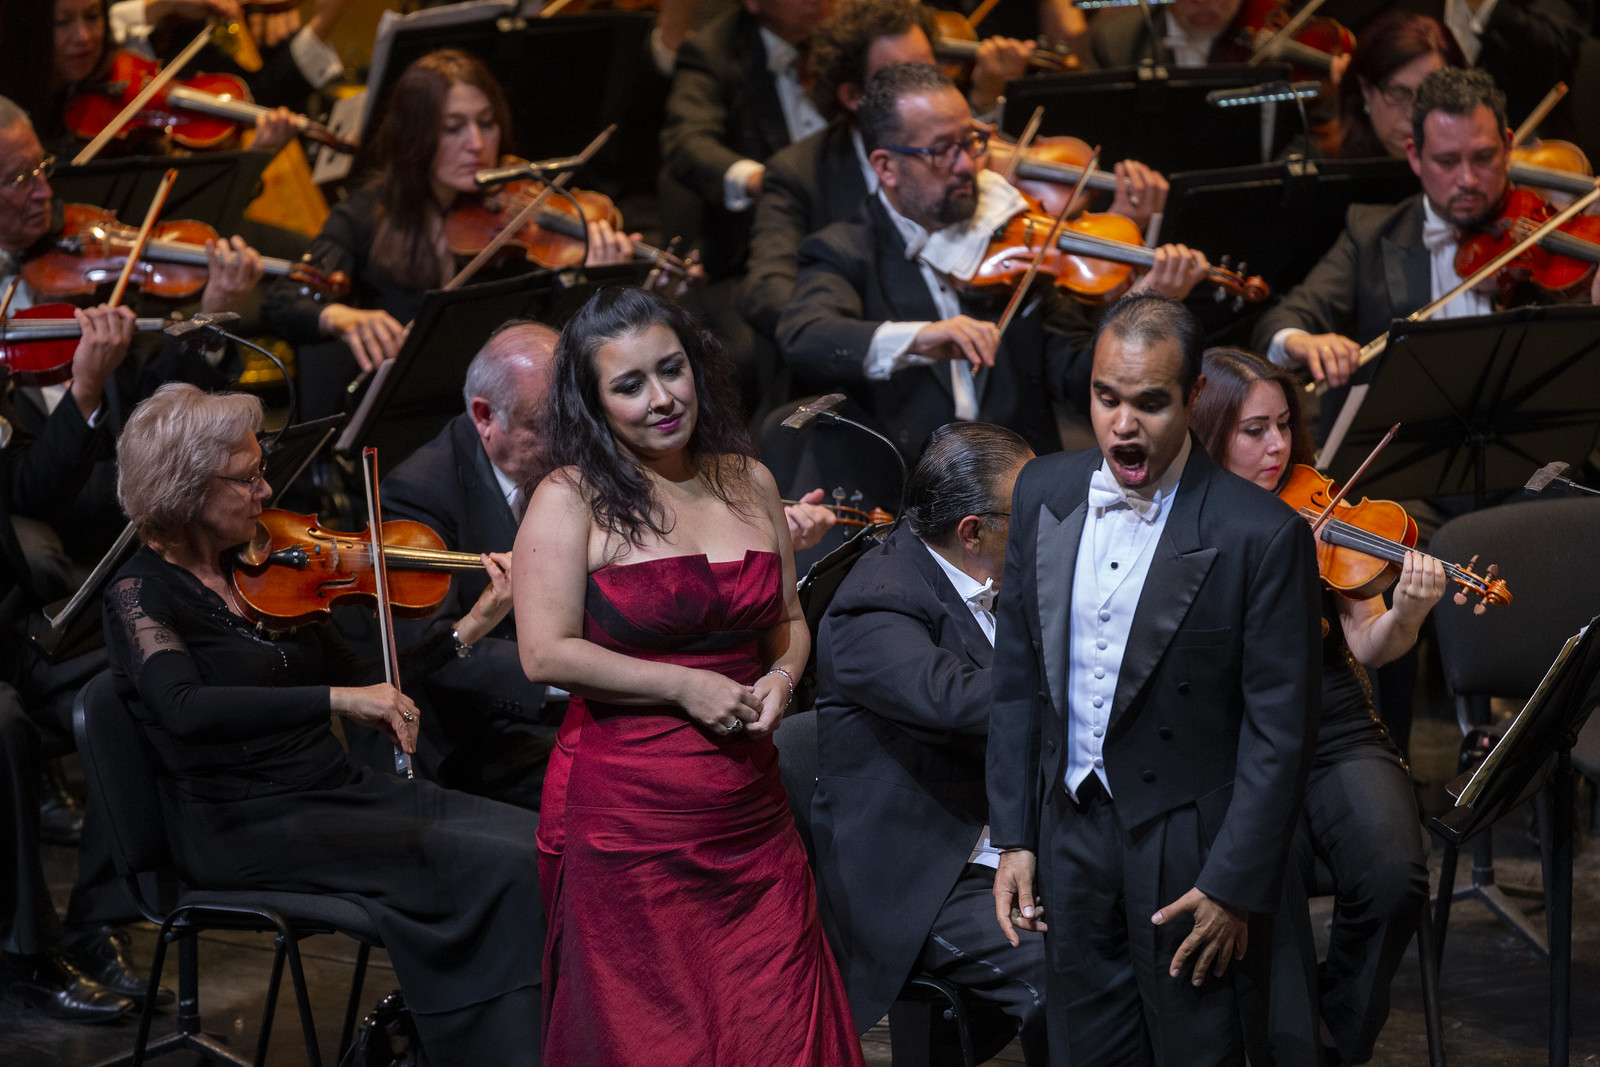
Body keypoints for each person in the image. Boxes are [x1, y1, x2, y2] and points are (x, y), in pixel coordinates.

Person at [103, 382, 545, 1066]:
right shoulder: (139, 592)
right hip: (242, 822)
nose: (265, 487)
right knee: (505, 865)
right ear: (185, 488)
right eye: (247, 477)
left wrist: (472, 623)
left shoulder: (269, 567)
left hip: (332, 789)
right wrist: (334, 700)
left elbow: (374, 674)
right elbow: (183, 708)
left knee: (534, 841)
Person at [514, 286, 863, 1066]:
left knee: (780, 1028)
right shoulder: (568, 499)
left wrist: (781, 675)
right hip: (631, 821)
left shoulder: (749, 479)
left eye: (671, 370)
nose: (662, 397)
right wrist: (681, 683)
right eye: (630, 384)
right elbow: (545, 653)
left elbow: (789, 622)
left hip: (749, 810)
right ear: (595, 402)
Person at [987, 293, 1321, 1065]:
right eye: (1107, 398)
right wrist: (1014, 835)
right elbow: (1016, 678)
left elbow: (1281, 732)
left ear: (1194, 396)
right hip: (1069, 826)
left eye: (1149, 402)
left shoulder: (1259, 534)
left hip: (1186, 844)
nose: (1122, 425)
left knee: (1194, 1048)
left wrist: (1235, 881)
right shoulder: (1044, 491)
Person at [1189, 346, 1437, 1066]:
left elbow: (1368, 645)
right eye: (1253, 431)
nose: (1277, 448)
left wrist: (1412, 613)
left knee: (1396, 879)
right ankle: (1279, 1046)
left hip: (1330, 721)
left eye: (1284, 427)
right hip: (1232, 734)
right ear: (1209, 432)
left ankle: (1335, 1032)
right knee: (1274, 891)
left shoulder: (1318, 508)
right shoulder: (1183, 518)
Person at [777, 63, 1209, 462]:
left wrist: (1140, 305)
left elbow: (1080, 382)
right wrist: (922, 338)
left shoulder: (1018, 239)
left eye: (971, 142)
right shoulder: (843, 250)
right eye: (942, 150)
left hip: (1021, 489)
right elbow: (806, 337)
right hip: (903, 494)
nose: (967, 165)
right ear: (886, 166)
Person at [812, 421, 1047, 1064]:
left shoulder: (1001, 576)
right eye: (1027, 512)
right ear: (972, 531)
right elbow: (955, 698)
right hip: (927, 874)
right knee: (1069, 973)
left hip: (1011, 842)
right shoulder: (875, 602)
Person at [742, 0, 1167, 340]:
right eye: (901, 78)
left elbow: (1049, 291)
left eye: (928, 69)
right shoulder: (798, 172)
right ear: (853, 96)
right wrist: (878, 329)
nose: (963, 161)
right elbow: (768, 293)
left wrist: (1123, 227)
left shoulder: (970, 158)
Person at [260, 49, 635, 415]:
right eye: (453, 128)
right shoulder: (363, 214)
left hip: (511, 413)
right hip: (403, 418)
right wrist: (340, 317)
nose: (477, 144)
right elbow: (283, 302)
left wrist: (596, 283)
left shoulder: (519, 223)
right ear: (414, 135)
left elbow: (557, 341)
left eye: (486, 123)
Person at [1253, 68, 1524, 399]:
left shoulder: (1539, 239)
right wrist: (1300, 341)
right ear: (1415, 157)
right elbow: (1285, 318)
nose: (1467, 179)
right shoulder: (1370, 234)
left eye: (1483, 158)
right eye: (1447, 161)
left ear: (1508, 147)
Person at [1331, 12, 1464, 160]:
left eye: (1431, 95)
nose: (1413, 115)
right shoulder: (1318, 169)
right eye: (1399, 92)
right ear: (1366, 92)